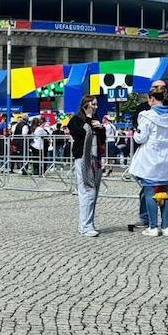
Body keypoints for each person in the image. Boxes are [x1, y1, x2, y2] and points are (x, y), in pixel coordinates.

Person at [129, 88, 168, 237]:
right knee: (164, 192)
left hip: (150, 159)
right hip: (166, 160)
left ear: (151, 99)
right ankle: (166, 227)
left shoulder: (147, 115)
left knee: (150, 192)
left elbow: (141, 138)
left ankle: (153, 227)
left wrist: (135, 133)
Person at [67, 95, 105, 237]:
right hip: (84, 159)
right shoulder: (76, 120)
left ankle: (88, 223)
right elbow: (79, 133)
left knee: (93, 193)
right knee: (87, 192)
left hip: (96, 159)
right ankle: (85, 226)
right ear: (86, 105)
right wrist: (88, 119)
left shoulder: (96, 120)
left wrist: (100, 128)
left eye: (96, 104)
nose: (96, 107)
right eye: (93, 104)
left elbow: (103, 139)